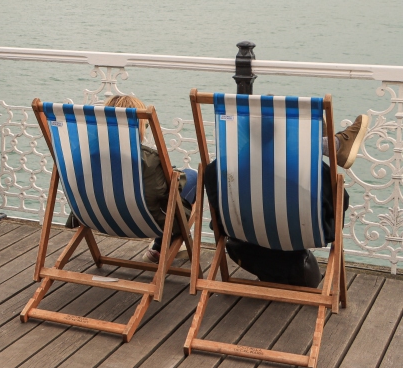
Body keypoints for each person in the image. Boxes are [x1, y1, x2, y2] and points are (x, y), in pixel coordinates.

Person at [203, 113, 366, 288]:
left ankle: (325, 143)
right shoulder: (312, 172)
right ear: (285, 134)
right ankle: (324, 144)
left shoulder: (218, 169)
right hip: (300, 237)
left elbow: (217, 208)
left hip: (241, 238)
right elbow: (341, 203)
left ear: (245, 132)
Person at [63, 95, 197, 264]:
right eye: (145, 125)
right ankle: (162, 244)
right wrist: (176, 176)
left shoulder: (80, 155)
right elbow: (163, 193)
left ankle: (160, 246)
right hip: (143, 223)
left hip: (94, 218)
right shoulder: (149, 160)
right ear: (137, 126)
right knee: (191, 177)